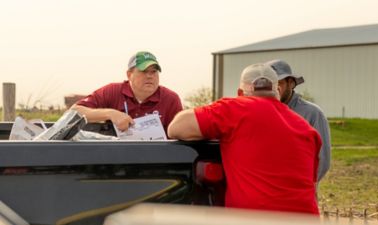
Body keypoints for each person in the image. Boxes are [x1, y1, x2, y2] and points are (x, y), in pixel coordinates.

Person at [168, 63, 322, 215]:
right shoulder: (308, 130)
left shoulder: (235, 109)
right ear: (278, 90)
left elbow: (175, 127)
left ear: (240, 93)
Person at [72, 51, 182, 133]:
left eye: (154, 72)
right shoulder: (112, 91)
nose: (150, 76)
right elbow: (73, 112)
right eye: (144, 71)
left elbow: (180, 135)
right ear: (129, 74)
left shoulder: (171, 99)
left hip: (156, 159)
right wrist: (110, 114)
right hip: (118, 158)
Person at [265, 59, 331, 182]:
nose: (274, 90)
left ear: (290, 82)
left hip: (300, 192)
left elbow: (322, 159)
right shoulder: (261, 112)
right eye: (270, 85)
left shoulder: (312, 113)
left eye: (278, 83)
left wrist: (303, 186)